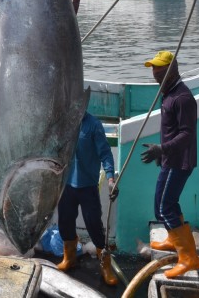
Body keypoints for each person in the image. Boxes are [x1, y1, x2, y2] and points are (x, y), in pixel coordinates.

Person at [140, 50, 199, 278]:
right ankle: (174, 239)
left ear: (172, 70)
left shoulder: (183, 98)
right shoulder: (168, 94)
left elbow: (186, 134)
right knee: (165, 206)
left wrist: (162, 149)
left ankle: (189, 258)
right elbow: (170, 131)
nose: (154, 74)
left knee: (165, 208)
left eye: (159, 69)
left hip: (180, 161)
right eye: (153, 69)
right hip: (170, 159)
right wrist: (161, 154)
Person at [55, 111, 118, 286]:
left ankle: (106, 266)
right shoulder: (64, 123)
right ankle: (70, 258)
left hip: (88, 186)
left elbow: (105, 153)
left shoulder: (93, 124)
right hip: (66, 185)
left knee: (94, 226)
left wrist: (111, 178)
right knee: (65, 223)